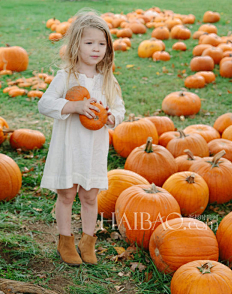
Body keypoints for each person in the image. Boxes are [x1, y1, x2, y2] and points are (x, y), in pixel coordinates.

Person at [38, 10, 125, 266]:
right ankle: (65, 240)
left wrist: (112, 118)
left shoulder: (107, 80)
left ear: (107, 48)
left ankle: (88, 241)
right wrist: (73, 107)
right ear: (76, 44)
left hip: (94, 149)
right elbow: (45, 104)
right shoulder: (66, 77)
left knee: (89, 196)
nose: (96, 49)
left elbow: (119, 109)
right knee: (66, 194)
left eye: (101, 44)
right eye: (89, 43)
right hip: (69, 148)